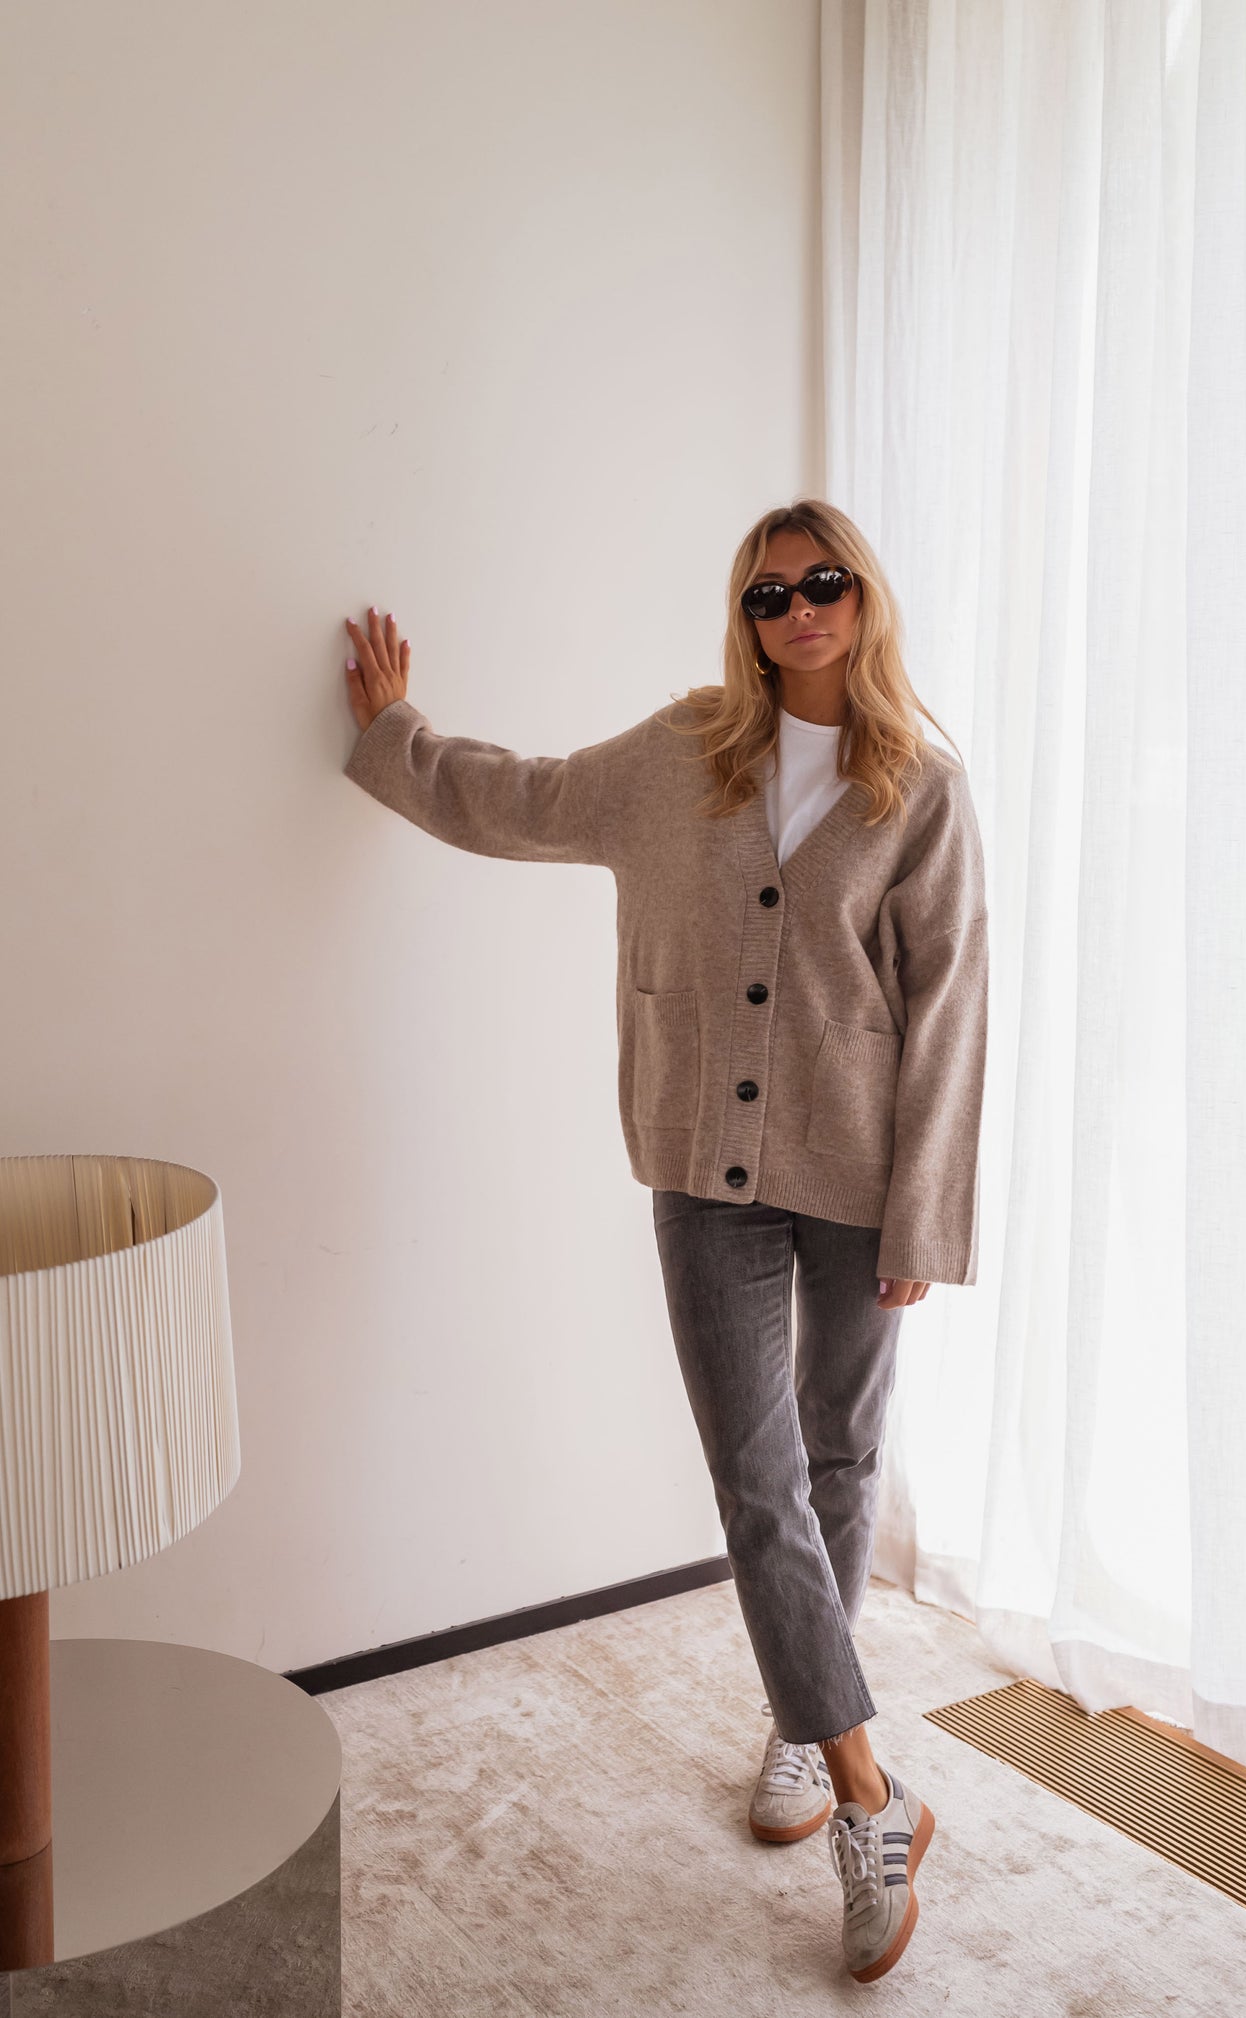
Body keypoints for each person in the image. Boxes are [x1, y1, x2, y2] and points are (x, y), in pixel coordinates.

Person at [340, 497, 988, 1983]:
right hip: (703, 1163)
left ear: (864, 599)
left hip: (859, 1170)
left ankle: (801, 1724)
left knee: (838, 1454)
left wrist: (927, 1212)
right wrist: (395, 737)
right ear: (744, 617)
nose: (799, 611)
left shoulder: (922, 790)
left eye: (823, 584)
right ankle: (871, 1791)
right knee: (757, 1477)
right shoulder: (681, 754)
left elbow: (949, 1007)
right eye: (769, 594)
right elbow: (522, 799)